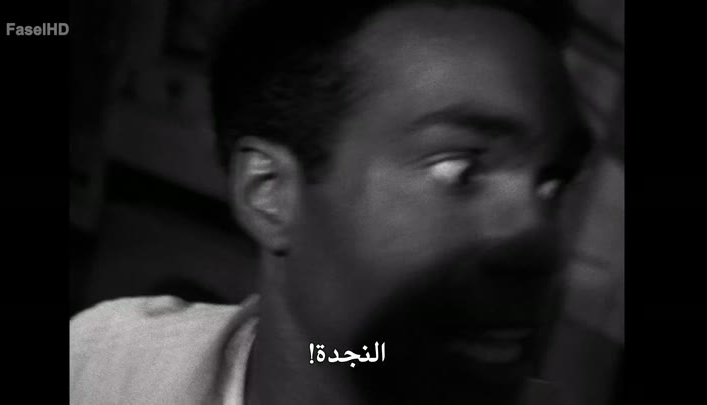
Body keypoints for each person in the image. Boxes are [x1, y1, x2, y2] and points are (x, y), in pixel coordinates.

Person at [70, 0, 592, 404]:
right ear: (269, 192)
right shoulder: (109, 366)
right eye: (460, 170)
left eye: (554, 183)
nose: (542, 243)